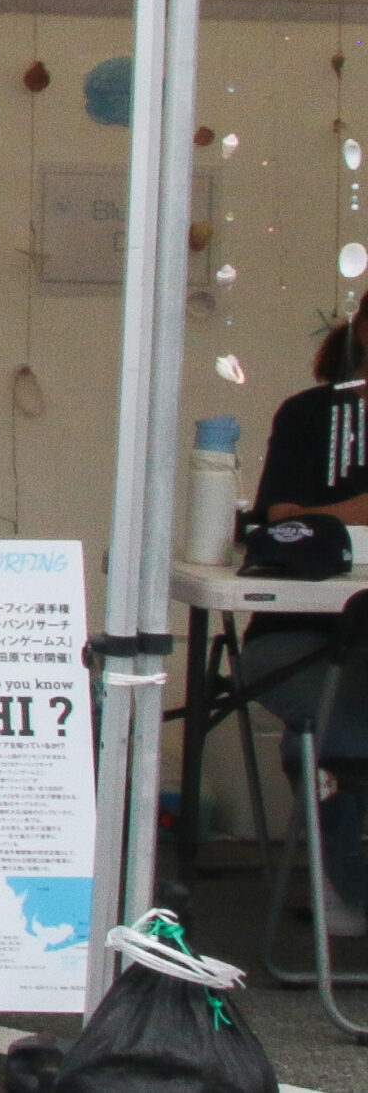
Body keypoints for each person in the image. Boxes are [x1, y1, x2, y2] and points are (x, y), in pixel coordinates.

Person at [242, 304, 368, 934]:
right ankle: (348, 885)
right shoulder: (312, 415)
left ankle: (343, 883)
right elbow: (279, 519)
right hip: (301, 636)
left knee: (321, 739)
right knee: (341, 731)